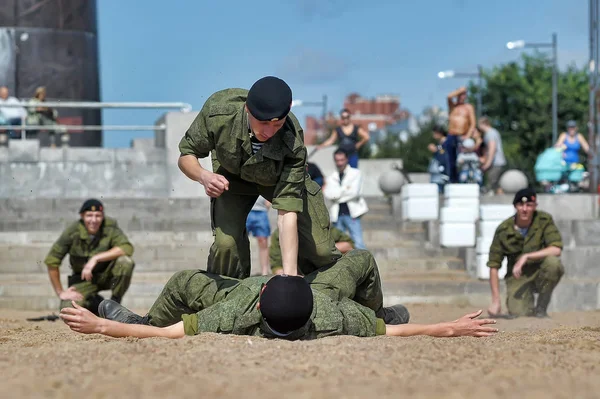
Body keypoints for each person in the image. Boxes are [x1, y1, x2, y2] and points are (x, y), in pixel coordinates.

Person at [59, 250, 499, 340]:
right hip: (322, 292)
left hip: (245, 291)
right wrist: (450, 327)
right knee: (361, 260)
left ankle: (142, 317)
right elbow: (397, 333)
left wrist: (103, 325)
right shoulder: (333, 315)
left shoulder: (236, 311)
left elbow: (171, 335)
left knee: (182, 282)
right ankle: (379, 306)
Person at [177, 76, 341, 280]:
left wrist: (288, 276)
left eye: (277, 124)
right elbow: (186, 156)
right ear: (248, 109)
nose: (269, 131)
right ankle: (230, 298)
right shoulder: (218, 113)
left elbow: (287, 211)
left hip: (276, 179)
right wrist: (204, 176)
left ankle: (318, 295)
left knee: (321, 250)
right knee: (225, 245)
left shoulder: (292, 142)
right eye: (262, 123)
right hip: (231, 179)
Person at [44, 199, 135, 315]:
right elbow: (52, 260)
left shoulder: (109, 227)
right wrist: (60, 292)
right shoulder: (72, 231)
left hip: (106, 276)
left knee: (125, 262)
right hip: (83, 280)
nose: (94, 220)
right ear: (82, 216)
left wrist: (95, 258)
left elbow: (127, 248)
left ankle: (114, 304)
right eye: (89, 215)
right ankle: (95, 303)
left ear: (102, 216)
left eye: (98, 216)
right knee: (69, 311)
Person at [486, 188, 564, 318]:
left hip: (539, 271)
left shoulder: (544, 220)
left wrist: (526, 256)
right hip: (517, 277)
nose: (524, 209)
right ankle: (526, 307)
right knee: (520, 314)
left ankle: (541, 308)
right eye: (520, 205)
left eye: (529, 205)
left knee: (553, 264)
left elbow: (556, 249)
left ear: (535, 206)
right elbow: (493, 265)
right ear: (515, 206)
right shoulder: (504, 230)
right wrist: (496, 301)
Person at [323, 149, 368, 249]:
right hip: (336, 215)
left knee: (358, 242)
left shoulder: (356, 173)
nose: (339, 163)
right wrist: (345, 189)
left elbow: (354, 193)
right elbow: (329, 194)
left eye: (342, 160)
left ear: (347, 159)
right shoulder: (331, 177)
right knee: (339, 244)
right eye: (337, 160)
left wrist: (337, 193)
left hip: (352, 214)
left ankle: (364, 264)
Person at [269, 226, 354, 275]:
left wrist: (322, 249)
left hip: (328, 273)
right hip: (299, 279)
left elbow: (349, 246)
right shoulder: (279, 235)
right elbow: (277, 267)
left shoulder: (321, 228)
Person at [446, 87, 477, 183]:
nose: (462, 97)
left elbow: (472, 123)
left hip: (462, 135)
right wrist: (459, 90)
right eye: (460, 95)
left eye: (463, 95)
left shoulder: (468, 107)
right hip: (452, 134)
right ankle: (453, 179)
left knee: (463, 159)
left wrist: (467, 136)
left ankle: (465, 179)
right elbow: (448, 96)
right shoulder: (453, 106)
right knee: (451, 159)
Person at [478, 117, 506, 195]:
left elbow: (492, 149)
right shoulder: (492, 132)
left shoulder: (490, 133)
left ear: (484, 124)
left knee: (492, 183)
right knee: (497, 184)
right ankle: (502, 199)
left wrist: (488, 163)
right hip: (497, 162)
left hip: (496, 162)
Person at [246, 196, 271, 276]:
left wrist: (269, 200)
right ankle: (240, 271)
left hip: (261, 210)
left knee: (263, 241)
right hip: (245, 209)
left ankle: (264, 272)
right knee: (240, 240)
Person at [427, 125, 450, 193]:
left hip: (443, 174)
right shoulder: (440, 144)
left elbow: (445, 157)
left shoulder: (446, 143)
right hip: (437, 174)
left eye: (434, 133)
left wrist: (436, 150)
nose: (433, 135)